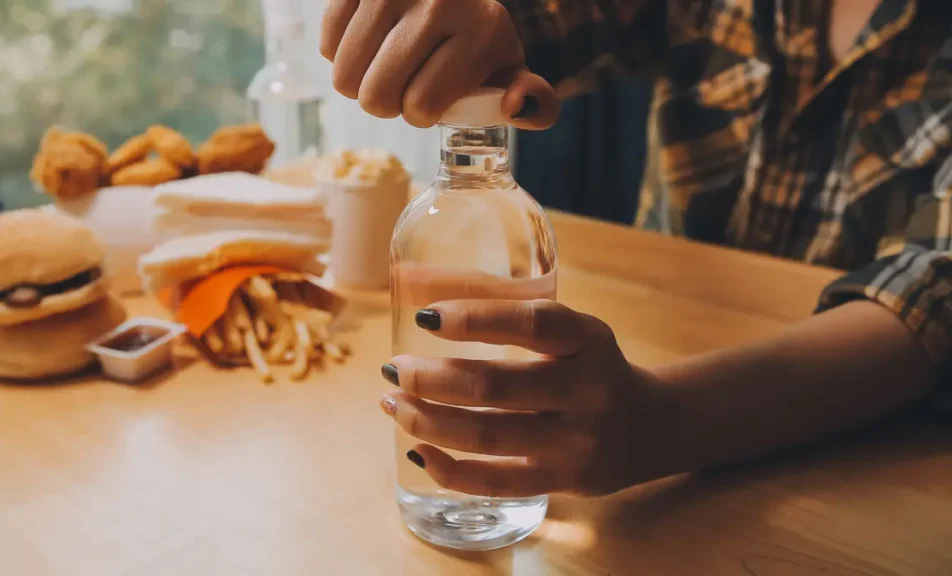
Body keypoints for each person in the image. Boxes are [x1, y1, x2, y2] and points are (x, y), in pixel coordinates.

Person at [321, 0, 950, 497]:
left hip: (872, 458)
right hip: (653, 368)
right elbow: (558, 15)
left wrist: (665, 419)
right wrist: (470, 24)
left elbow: (936, 291)